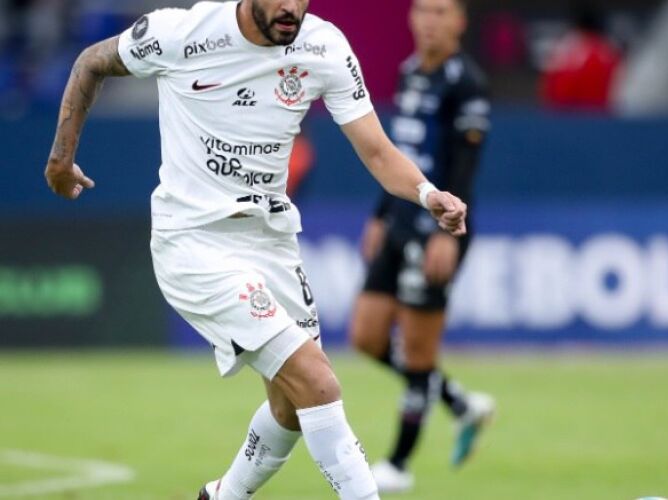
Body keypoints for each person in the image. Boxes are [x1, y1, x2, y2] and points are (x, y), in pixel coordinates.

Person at [43, 1, 469, 499]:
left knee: (290, 407)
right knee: (318, 382)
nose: (292, 7)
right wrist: (60, 158)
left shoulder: (323, 45)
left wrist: (426, 193)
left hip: (271, 241)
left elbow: (377, 150)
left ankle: (222, 496)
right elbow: (91, 61)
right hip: (195, 241)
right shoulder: (183, 32)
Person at [347, 0, 493, 493]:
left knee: (416, 350)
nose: (431, 21)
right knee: (366, 336)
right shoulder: (410, 72)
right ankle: (460, 403)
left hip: (438, 230)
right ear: (411, 18)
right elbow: (397, 155)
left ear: (459, 22)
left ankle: (400, 464)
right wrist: (380, 215)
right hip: (399, 222)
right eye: (423, 10)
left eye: (441, 12)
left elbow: (463, 168)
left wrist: (445, 234)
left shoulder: (467, 83)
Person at [538, 5, 622, 112]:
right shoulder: (610, 52)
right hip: (600, 119)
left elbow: (548, 91)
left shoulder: (563, 50)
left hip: (566, 118)